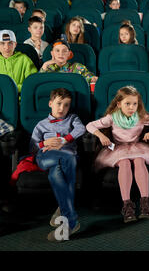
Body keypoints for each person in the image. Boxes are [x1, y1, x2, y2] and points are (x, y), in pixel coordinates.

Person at [86, 86, 149, 222]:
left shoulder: (141, 116)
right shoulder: (112, 118)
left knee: (139, 160)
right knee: (125, 163)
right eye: (127, 104)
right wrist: (100, 136)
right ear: (119, 104)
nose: (131, 107)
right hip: (118, 149)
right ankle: (127, 205)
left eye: (134, 104)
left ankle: (145, 202)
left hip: (136, 148)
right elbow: (90, 126)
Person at [31, 88, 86, 242]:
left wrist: (65, 140)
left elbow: (81, 129)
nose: (62, 108)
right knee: (59, 163)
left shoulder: (73, 119)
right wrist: (44, 142)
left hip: (66, 157)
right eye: (59, 104)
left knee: (56, 172)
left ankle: (66, 215)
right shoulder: (41, 125)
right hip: (46, 156)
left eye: (66, 105)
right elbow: (33, 146)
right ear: (50, 103)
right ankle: (70, 218)